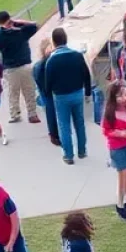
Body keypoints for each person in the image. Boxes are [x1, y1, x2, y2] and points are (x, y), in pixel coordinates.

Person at [44, 27, 92, 166]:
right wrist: (88, 92)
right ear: (66, 39)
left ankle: (68, 155)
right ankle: (82, 151)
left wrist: (47, 96)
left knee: (64, 126)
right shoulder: (77, 55)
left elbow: (48, 83)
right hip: (77, 93)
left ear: (53, 42)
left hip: (61, 97)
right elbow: (86, 75)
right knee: (79, 123)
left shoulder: (51, 61)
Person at [101, 80, 126, 221]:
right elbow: (106, 130)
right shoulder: (109, 112)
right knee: (122, 173)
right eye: (120, 96)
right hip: (117, 146)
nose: (123, 99)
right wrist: (123, 133)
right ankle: (119, 203)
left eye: (125, 95)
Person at [0, 11, 40, 125]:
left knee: (15, 92)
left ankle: (17, 114)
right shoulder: (20, 30)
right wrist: (20, 22)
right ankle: (30, 114)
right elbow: (35, 25)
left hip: (13, 67)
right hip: (21, 65)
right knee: (26, 91)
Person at [32, 38, 59, 147]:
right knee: (51, 111)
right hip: (48, 92)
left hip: (50, 91)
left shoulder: (48, 62)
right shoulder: (41, 65)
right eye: (50, 47)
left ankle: (55, 133)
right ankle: (53, 134)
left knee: (52, 111)